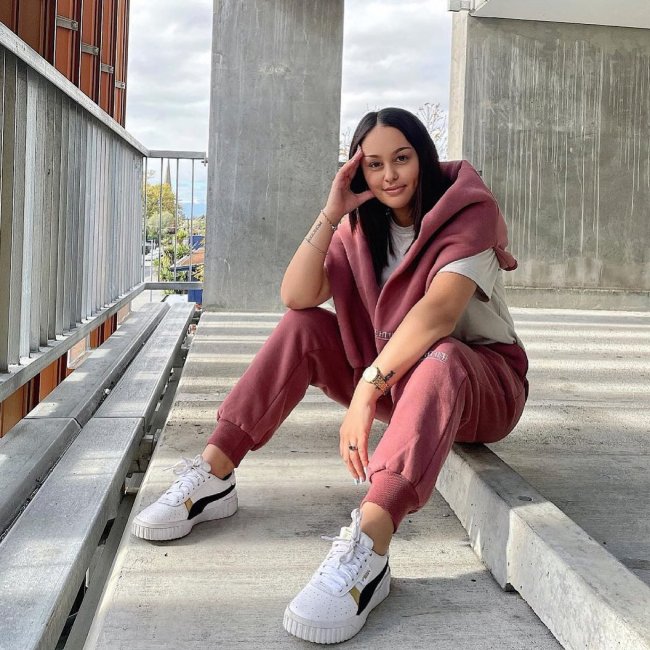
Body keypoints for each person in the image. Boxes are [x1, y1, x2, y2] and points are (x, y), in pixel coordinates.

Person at [132, 107, 528, 644]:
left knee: (444, 357)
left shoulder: (467, 213)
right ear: (356, 172)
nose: (390, 176)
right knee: (303, 327)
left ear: (424, 157)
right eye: (373, 164)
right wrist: (331, 211)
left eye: (402, 158)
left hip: (482, 385)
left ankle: (370, 549)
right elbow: (296, 295)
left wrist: (368, 388)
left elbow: (437, 316)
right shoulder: (361, 226)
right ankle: (214, 474)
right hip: (400, 379)